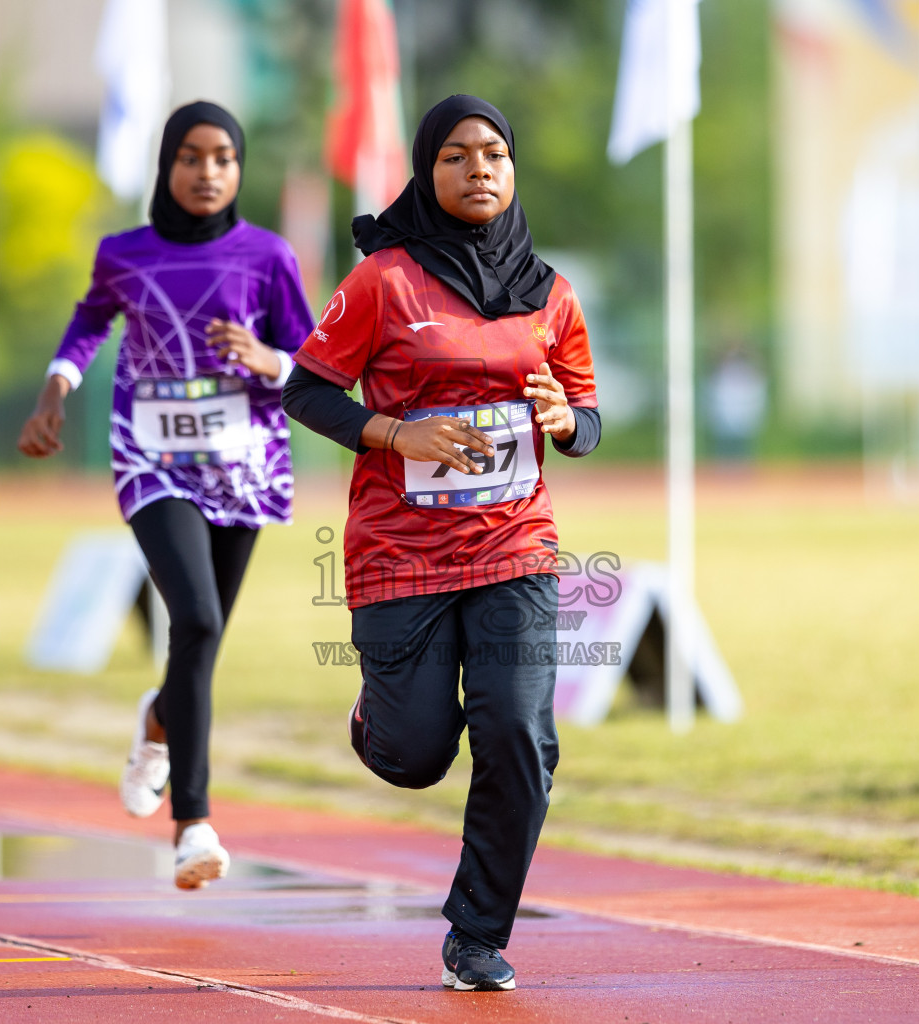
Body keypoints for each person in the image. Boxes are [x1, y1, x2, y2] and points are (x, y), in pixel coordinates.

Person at [282, 94, 601, 992]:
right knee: (416, 755)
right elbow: (305, 391)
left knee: (518, 732)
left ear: (514, 168)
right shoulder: (383, 281)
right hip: (402, 555)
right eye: (456, 156)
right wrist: (396, 434)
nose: (479, 170)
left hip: (516, 547)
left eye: (495, 153)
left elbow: (586, 417)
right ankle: (375, 724)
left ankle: (476, 933)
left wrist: (565, 418)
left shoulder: (553, 294)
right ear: (427, 171)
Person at [18, 102, 313, 889]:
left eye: (223, 157)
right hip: (152, 459)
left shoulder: (269, 254)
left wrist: (265, 357)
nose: (207, 171)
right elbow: (88, 324)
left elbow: (315, 359)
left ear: (239, 168)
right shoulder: (125, 254)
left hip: (243, 463)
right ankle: (194, 823)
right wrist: (56, 389)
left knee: (199, 644)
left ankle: (157, 722)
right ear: (166, 166)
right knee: (198, 617)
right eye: (190, 156)